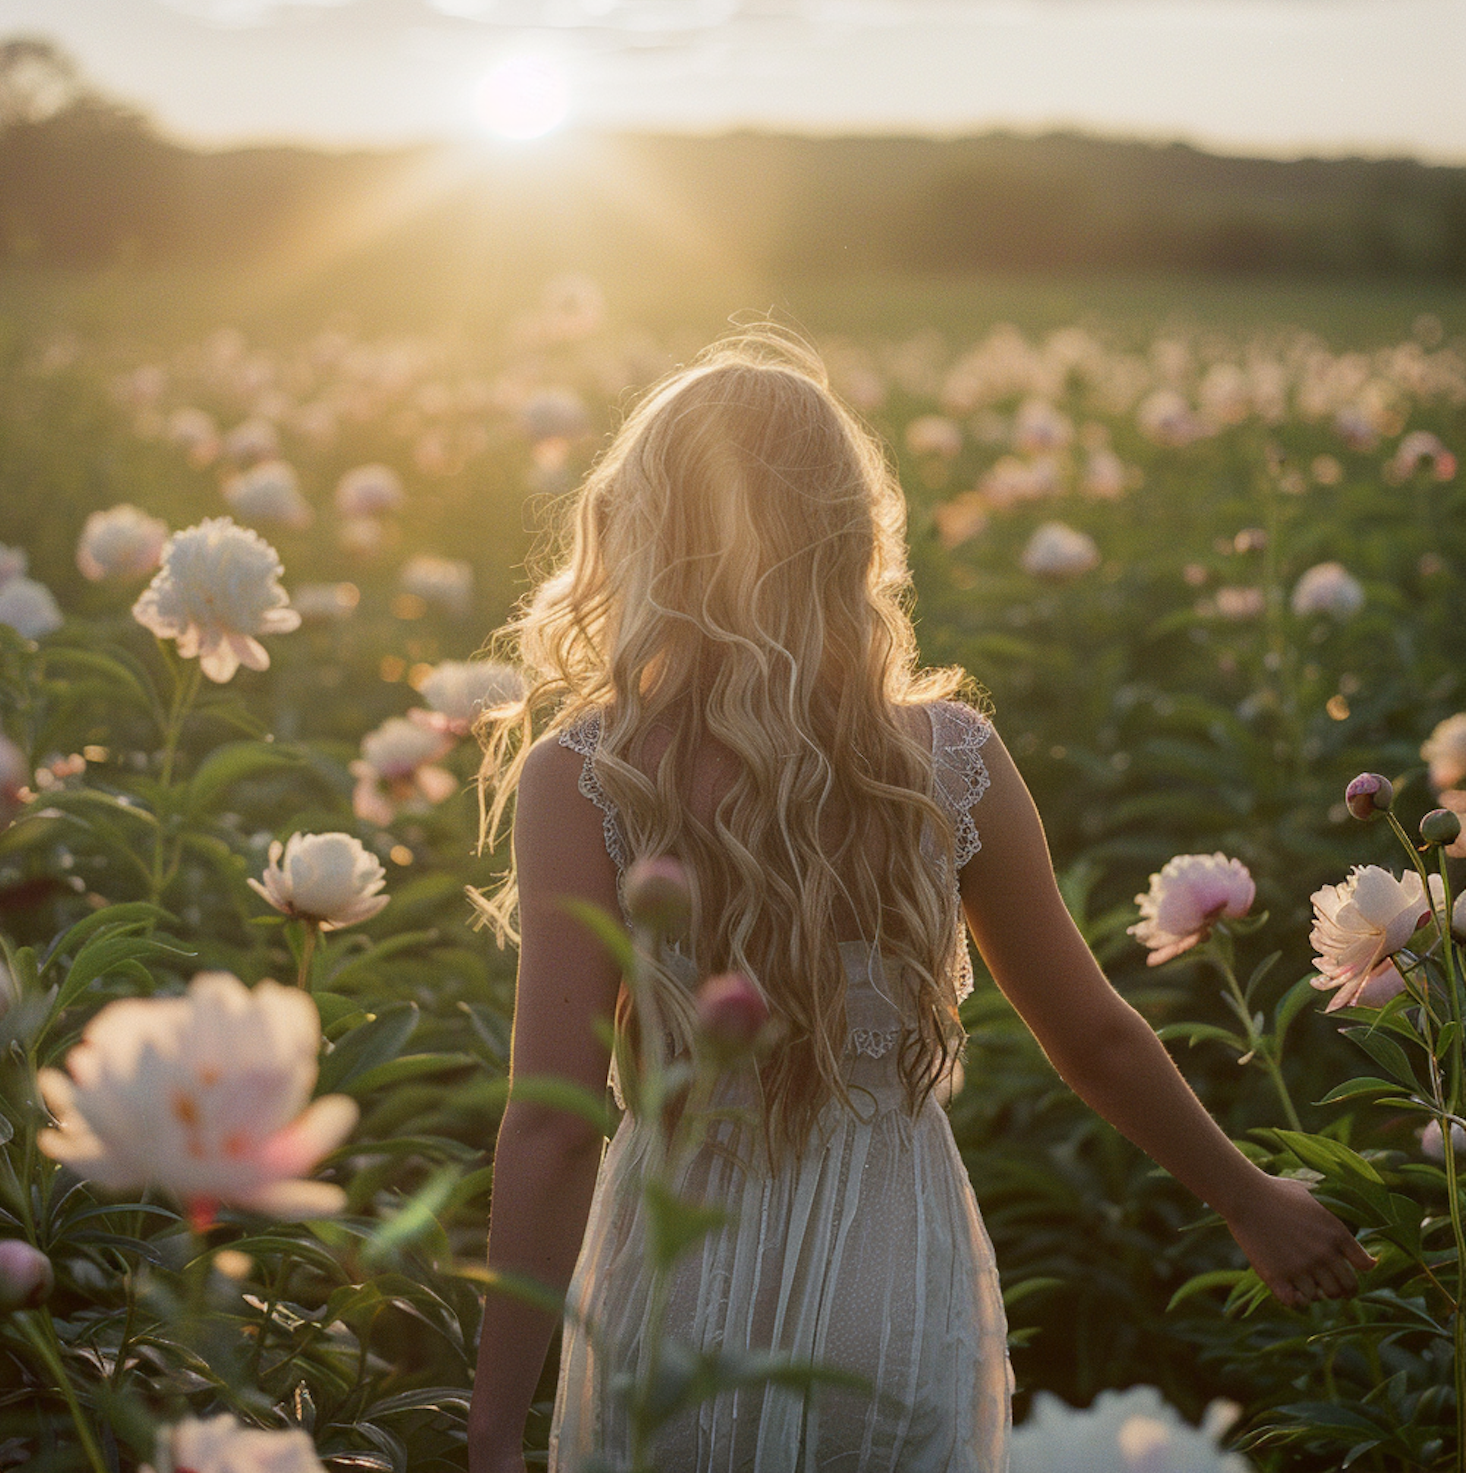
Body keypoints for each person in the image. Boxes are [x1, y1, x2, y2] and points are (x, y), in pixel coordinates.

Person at [463, 329, 1375, 1473]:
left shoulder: (588, 775)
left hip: (678, 1296)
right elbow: (1091, 1036)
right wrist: (1248, 1200)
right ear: (850, 532)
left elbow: (551, 1123)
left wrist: (495, 1420)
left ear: (643, 530)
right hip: (892, 1284)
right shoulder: (947, 758)